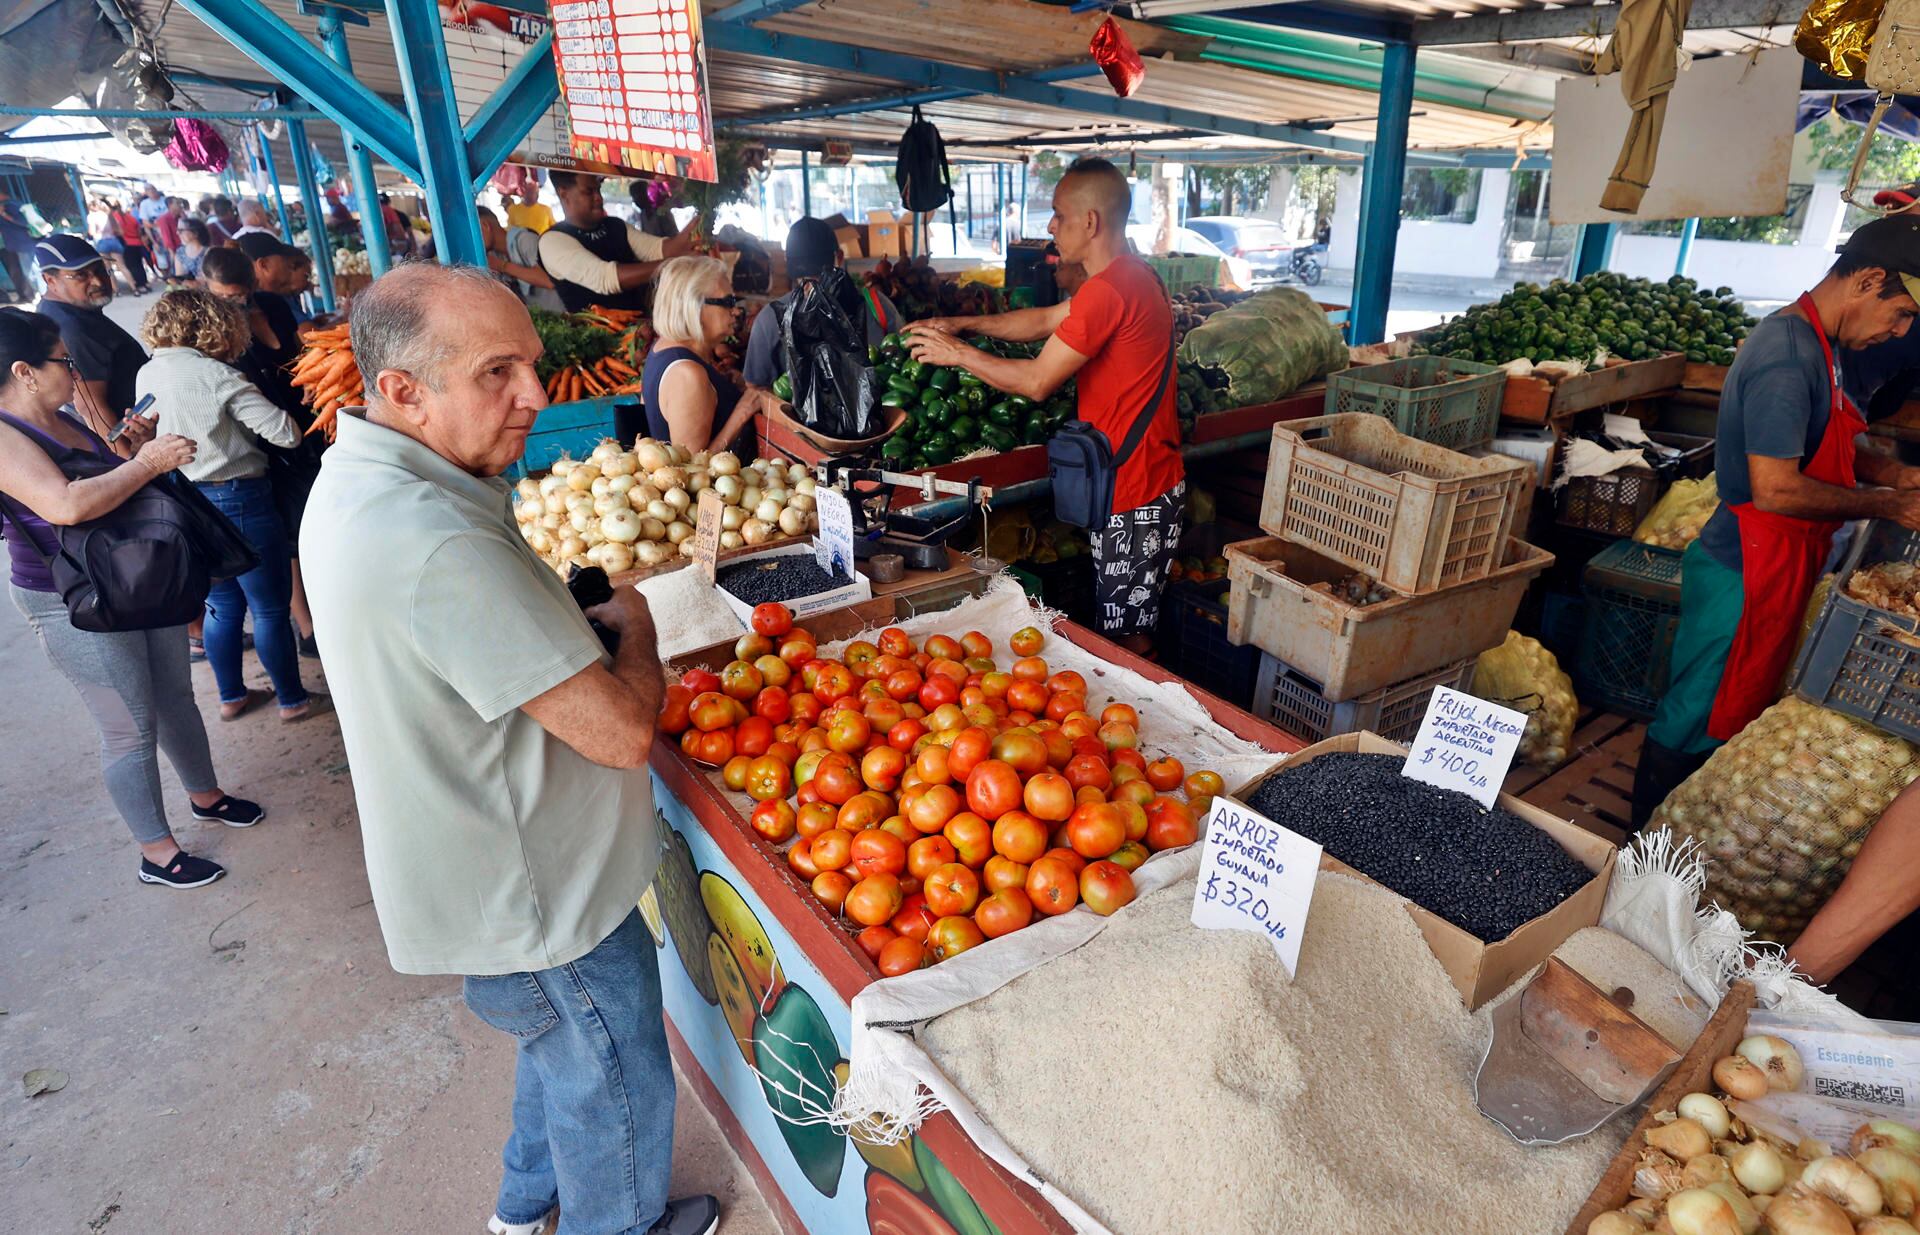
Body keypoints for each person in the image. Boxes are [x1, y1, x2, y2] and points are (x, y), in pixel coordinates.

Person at [299, 263, 719, 1235]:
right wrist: (639, 624)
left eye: (531, 364)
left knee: (558, 1052)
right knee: (612, 1074)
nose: (533, 395)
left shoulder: (362, 476)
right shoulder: (431, 539)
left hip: (478, 865)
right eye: (498, 372)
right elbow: (621, 733)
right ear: (402, 389)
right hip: (540, 889)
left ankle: (522, 1206)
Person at [1630, 217, 1920, 828]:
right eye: (1900, 314)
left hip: (1777, 561)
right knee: (1696, 715)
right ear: (1868, 280)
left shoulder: (1822, 345)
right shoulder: (1788, 356)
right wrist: (1887, 505)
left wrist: (1892, 476)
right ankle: (1639, 846)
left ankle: (1693, 835)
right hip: (1746, 564)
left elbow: (1818, 441)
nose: (1901, 332)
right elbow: (1778, 488)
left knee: (1730, 707)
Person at [0, 307, 264, 888]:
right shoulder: (4, 435)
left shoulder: (64, 416)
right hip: (70, 598)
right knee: (128, 726)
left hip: (131, 574)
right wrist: (145, 465)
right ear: (23, 370)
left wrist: (127, 453)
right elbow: (66, 505)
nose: (72, 369)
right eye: (60, 360)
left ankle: (205, 794)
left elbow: (104, 486)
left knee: (174, 697)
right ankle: (157, 852)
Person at [906, 157, 1183, 655]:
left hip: (1137, 489)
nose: (1051, 226)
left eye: (1058, 214)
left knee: (1128, 637)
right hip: (1134, 479)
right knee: (1121, 622)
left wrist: (957, 355)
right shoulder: (1131, 276)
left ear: (1091, 222)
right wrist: (964, 325)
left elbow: (1036, 381)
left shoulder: (1111, 289)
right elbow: (1043, 321)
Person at [135, 288, 317, 722]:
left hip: (189, 501)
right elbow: (285, 434)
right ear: (212, 325)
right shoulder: (218, 375)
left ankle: (231, 696)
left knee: (223, 606)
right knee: (270, 607)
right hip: (241, 498)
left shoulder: (147, 374)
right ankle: (293, 701)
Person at [217, 237, 324, 658]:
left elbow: (301, 355)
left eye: (243, 292)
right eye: (229, 296)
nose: (240, 300)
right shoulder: (220, 329)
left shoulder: (276, 307)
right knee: (289, 532)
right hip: (263, 437)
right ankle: (307, 626)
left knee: (317, 513)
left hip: (308, 423)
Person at [741, 216, 899, 401]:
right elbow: (755, 387)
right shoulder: (878, 305)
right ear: (838, 258)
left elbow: (755, 387)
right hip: (875, 426)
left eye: (817, 276)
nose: (813, 287)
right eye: (805, 278)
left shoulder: (770, 318)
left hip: (803, 428)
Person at [32, 235, 149, 441]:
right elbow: (90, 408)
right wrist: (131, 465)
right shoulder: (72, 329)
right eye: (80, 275)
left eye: (100, 270)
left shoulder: (70, 311)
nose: (97, 281)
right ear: (50, 280)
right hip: (130, 440)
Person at [537, 171, 699, 314]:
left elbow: (660, 249)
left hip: (642, 329)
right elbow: (606, 279)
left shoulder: (615, 225)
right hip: (602, 341)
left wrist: (699, 224)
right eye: (589, 192)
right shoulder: (552, 241)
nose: (599, 198)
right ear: (564, 195)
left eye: (598, 190)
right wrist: (674, 263)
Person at [641, 256, 753, 454]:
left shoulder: (662, 348)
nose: (735, 311)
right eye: (728, 301)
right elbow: (692, 472)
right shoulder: (687, 374)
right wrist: (742, 412)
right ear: (695, 307)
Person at [478, 207, 564, 313]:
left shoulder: (525, 240)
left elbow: (549, 281)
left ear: (485, 226)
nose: (474, 243)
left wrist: (502, 266)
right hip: (546, 318)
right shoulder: (497, 255)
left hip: (567, 314)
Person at [0, 186, 36, 305]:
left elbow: (24, 222)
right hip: (10, 244)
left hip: (16, 244)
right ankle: (25, 295)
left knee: (27, 270)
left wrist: (4, 214)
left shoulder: (12, 205)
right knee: (16, 271)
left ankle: (31, 295)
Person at [109, 201, 153, 293]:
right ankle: (144, 283)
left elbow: (117, 231)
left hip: (126, 243)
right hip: (137, 243)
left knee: (131, 266)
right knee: (139, 265)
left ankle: (139, 285)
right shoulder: (130, 216)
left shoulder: (115, 218)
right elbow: (138, 230)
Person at [152, 197, 186, 286]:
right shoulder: (164, 219)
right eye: (177, 203)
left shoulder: (180, 217)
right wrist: (172, 253)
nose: (180, 206)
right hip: (175, 249)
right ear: (170, 205)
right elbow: (167, 237)